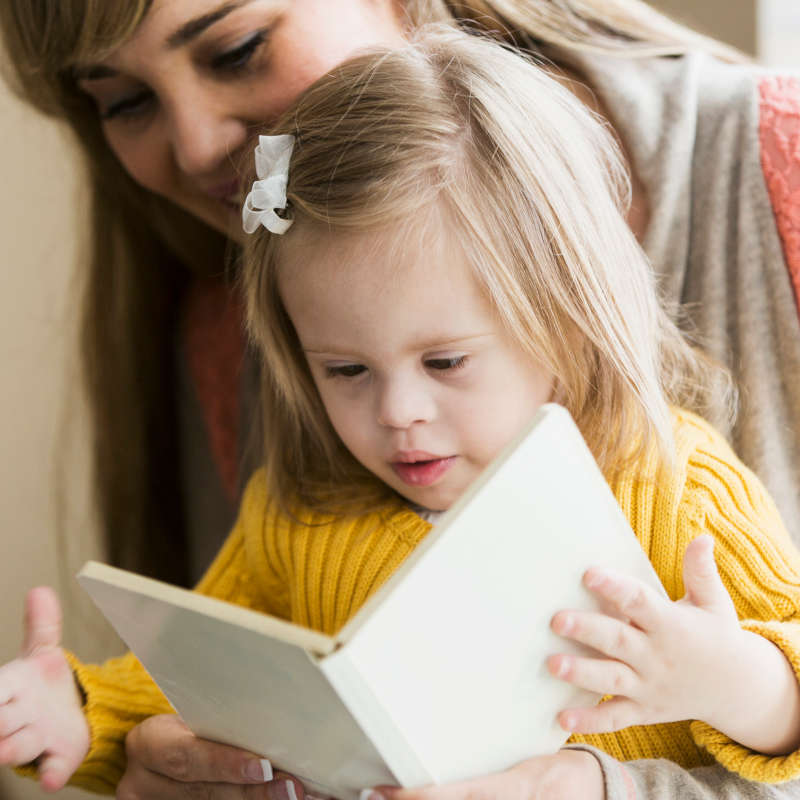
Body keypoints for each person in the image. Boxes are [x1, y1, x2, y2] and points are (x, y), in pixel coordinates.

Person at [1, 1, 798, 798]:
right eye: (345, 370)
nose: (397, 411)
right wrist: (75, 710)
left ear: (568, 320)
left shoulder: (677, 486)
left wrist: (733, 683)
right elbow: (187, 684)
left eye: (445, 361)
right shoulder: (295, 510)